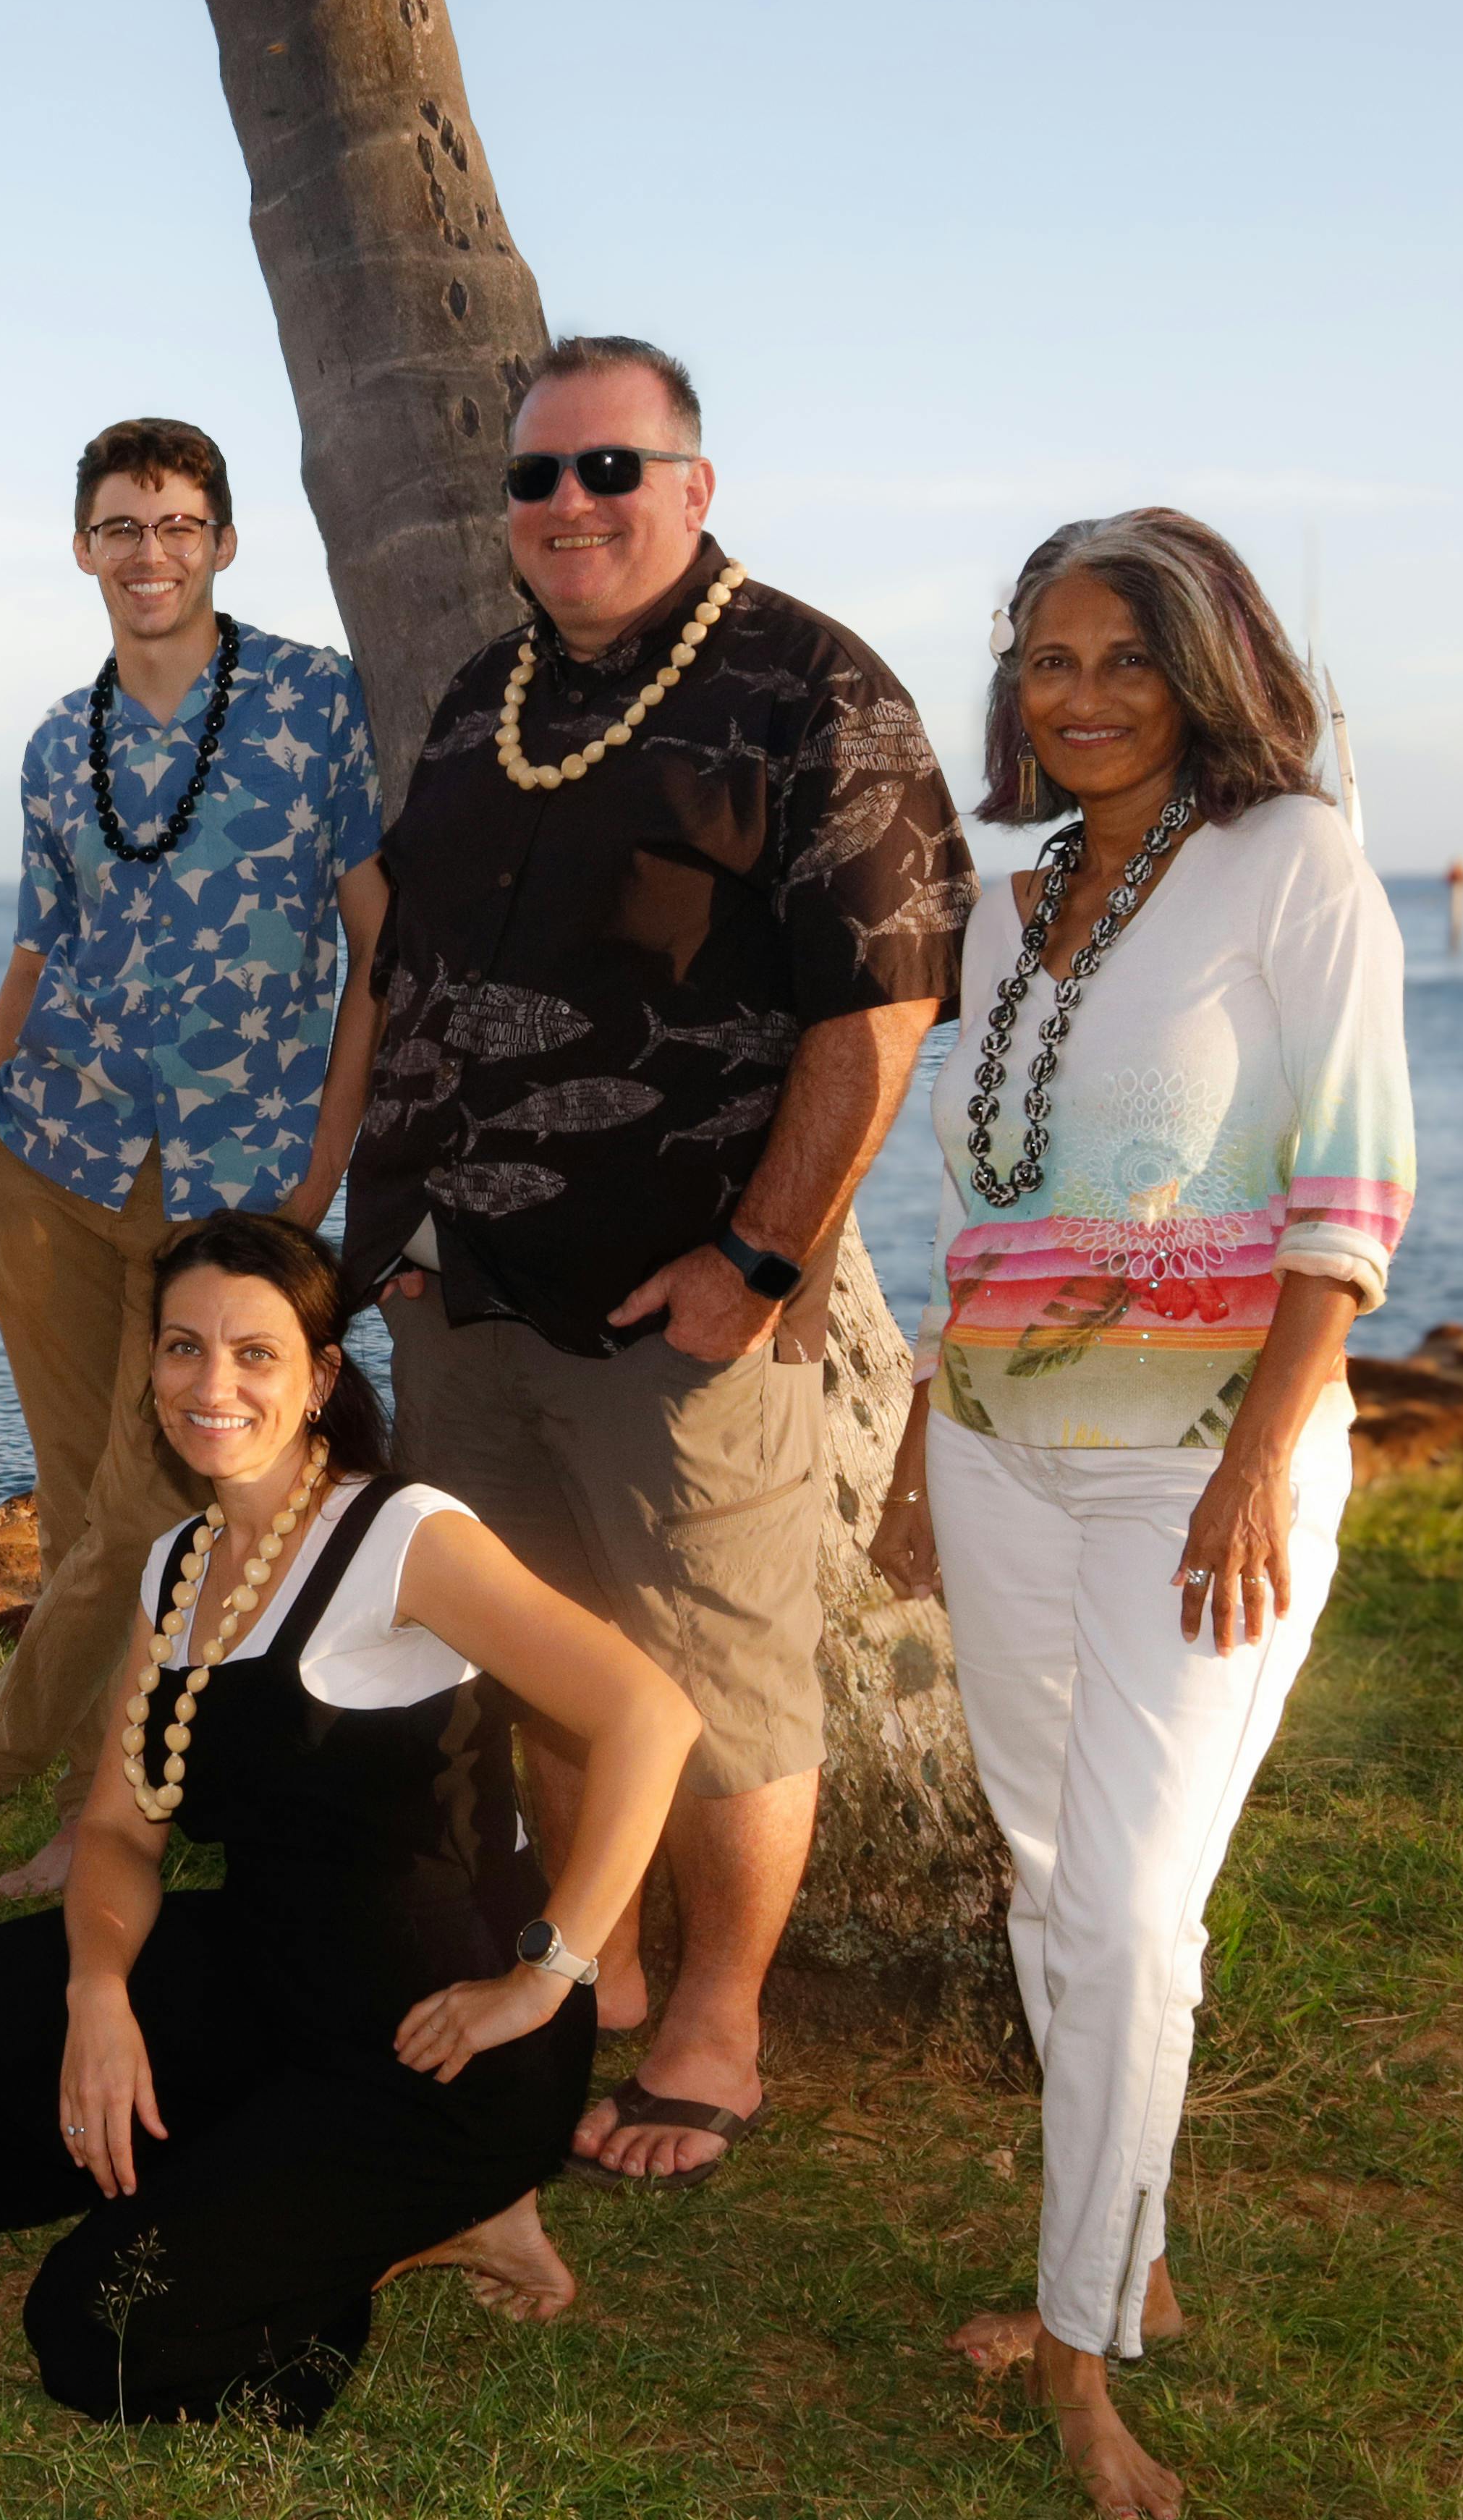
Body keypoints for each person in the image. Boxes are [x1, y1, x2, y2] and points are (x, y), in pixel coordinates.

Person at [336, 334, 969, 2189]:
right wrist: (399, 1237)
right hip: (468, 1291)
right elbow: (417, 977)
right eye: (535, 479)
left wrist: (757, 1268)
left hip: (673, 1304)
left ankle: (716, 2021)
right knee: (541, 1645)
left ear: (695, 487)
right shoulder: (488, 697)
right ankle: (590, 1959)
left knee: (722, 1667)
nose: (568, 507)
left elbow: (882, 1008)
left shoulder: (813, 691)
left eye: (609, 471)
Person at [869, 509, 1410, 2520]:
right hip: (1004, 1452)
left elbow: (1352, 1199)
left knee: (1124, 1907)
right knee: (1044, 1877)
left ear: (1207, 672)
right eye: (1048, 661)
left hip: (1206, 1469)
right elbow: (984, 1207)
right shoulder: (1014, 907)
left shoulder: (1297, 868)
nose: (1081, 697)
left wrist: (1263, 1458)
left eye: (1126, 660)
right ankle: (1137, 2262)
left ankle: (1085, 2353)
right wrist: (935, 1434)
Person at [0, 1214, 701, 2427]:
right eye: (182, 1348)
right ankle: (278, 2171)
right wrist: (100, 1993)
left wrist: (547, 1976)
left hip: (445, 2050)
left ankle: (439, 2210)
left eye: (255, 1353)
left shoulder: (404, 1537)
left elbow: (652, 1716)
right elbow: (121, 1829)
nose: (211, 1384)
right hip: (280, 1982)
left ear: (322, 1376)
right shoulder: (181, 1562)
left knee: (102, 2330)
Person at [0, 416, 388, 1902]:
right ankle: (96, 1802)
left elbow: (377, 950)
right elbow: (40, 947)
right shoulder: (60, 740)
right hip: (55, 1158)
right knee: (85, 1511)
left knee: (151, 1508)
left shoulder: (319, 704)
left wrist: (320, 1175)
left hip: (241, 1186)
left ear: (225, 542)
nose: (150, 555)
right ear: (82, 548)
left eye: (179, 525)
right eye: (121, 527)